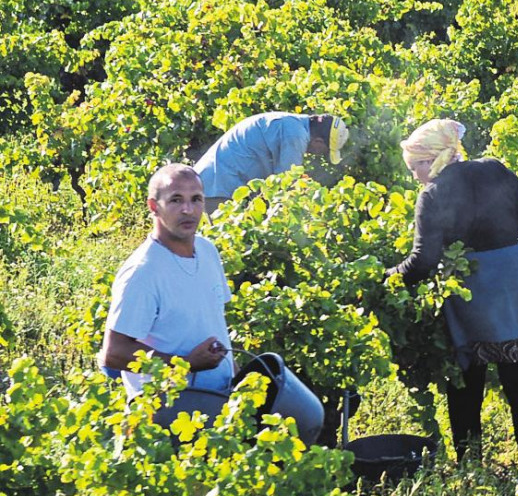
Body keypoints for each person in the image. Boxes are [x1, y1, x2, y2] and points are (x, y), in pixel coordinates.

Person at [393, 118, 518, 461]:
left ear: (432, 159)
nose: (415, 174)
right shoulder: (495, 170)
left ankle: (469, 462)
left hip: (473, 292)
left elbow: (423, 260)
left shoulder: (433, 195)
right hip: (517, 285)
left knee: (465, 383)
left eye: (416, 166)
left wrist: (387, 278)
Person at [99, 163, 234, 424]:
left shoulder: (207, 252)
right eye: (175, 200)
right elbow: (113, 353)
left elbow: (216, 325)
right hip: (166, 411)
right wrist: (185, 363)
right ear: (154, 206)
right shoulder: (143, 272)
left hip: (217, 402)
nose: (188, 209)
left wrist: (234, 374)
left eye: (196, 199)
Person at [194, 112, 348, 213]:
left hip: (212, 183)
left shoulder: (293, 124)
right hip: (217, 188)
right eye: (325, 151)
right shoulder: (296, 135)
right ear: (319, 141)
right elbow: (285, 185)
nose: (319, 155)